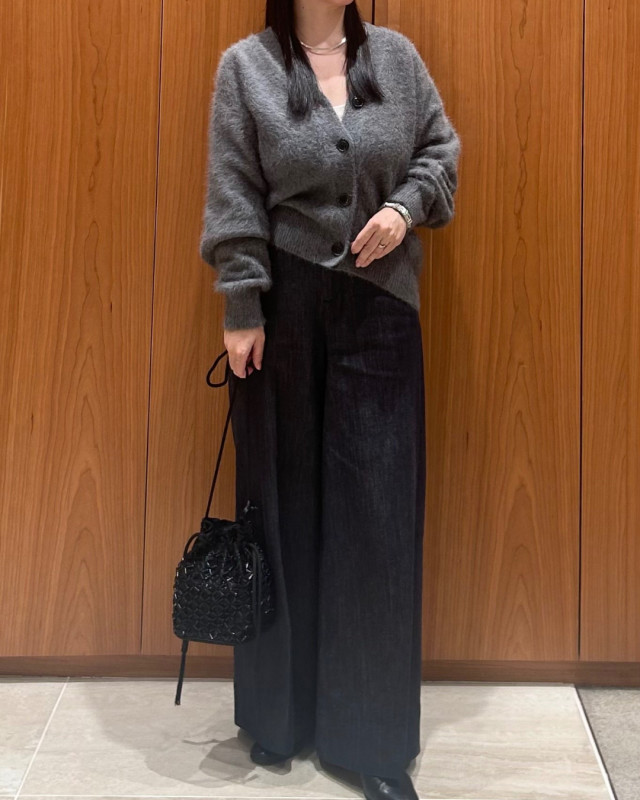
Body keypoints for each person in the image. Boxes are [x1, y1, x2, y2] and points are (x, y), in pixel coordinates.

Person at [199, 1, 461, 798]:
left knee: (376, 518)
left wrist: (404, 208)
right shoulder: (246, 67)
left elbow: (441, 152)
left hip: (382, 310)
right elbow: (234, 190)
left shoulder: (399, 60)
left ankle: (371, 741)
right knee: (280, 509)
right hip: (283, 311)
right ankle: (278, 718)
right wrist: (241, 305)